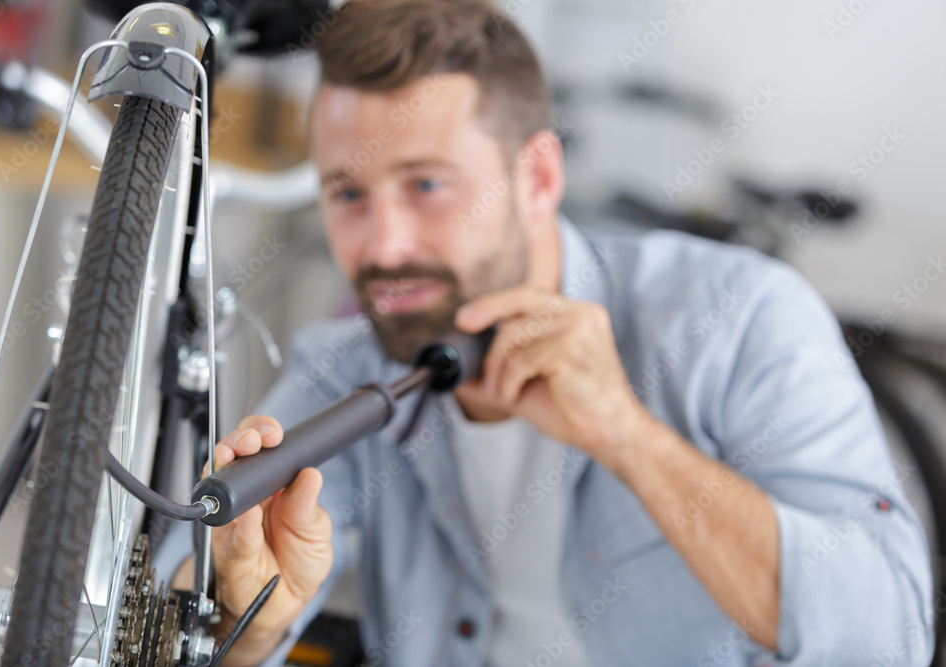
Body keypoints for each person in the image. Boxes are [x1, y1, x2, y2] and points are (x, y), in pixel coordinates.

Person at [170, 0, 934, 664]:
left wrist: (628, 435)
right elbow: (176, 613)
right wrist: (250, 623)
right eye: (348, 192)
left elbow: (887, 634)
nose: (383, 245)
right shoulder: (348, 366)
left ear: (535, 177)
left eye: (427, 184)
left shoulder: (741, 317)